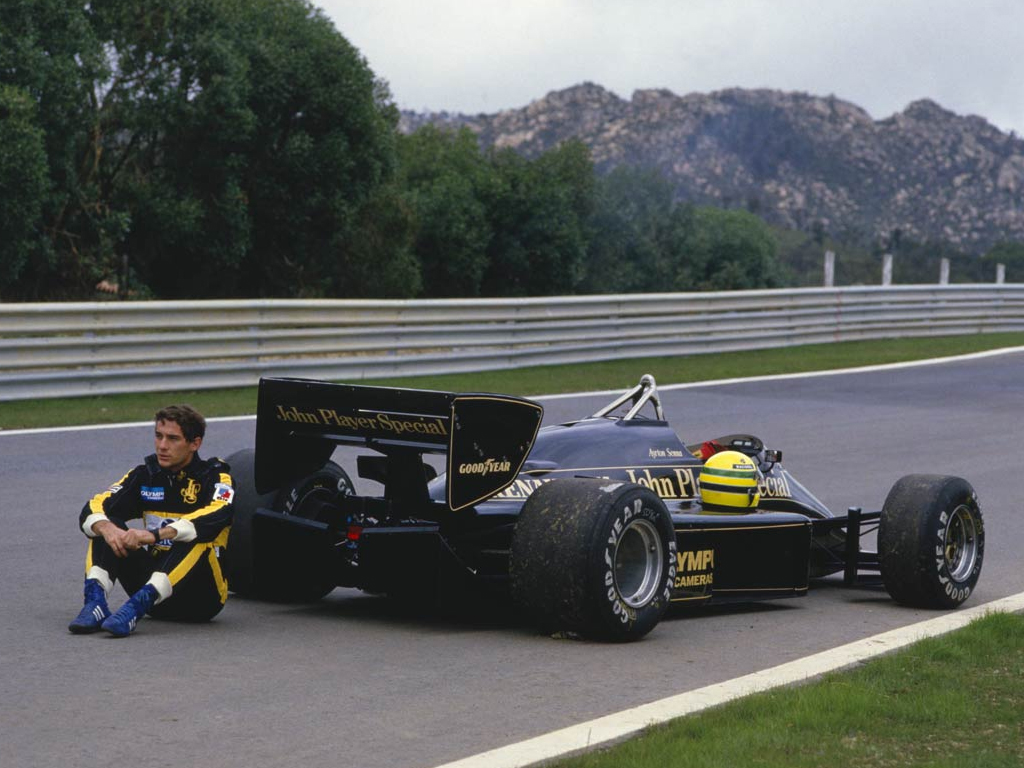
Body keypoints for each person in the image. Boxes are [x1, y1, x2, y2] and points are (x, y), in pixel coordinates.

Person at [68, 405, 234, 637]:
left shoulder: (215, 477)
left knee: (197, 536)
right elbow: (95, 506)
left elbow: (218, 514)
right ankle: (95, 604)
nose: (162, 446)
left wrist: (154, 535)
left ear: (194, 444)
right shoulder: (144, 475)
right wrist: (107, 529)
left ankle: (135, 608)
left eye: (173, 439)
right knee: (107, 523)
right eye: (158, 436)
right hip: (154, 600)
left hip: (201, 600)